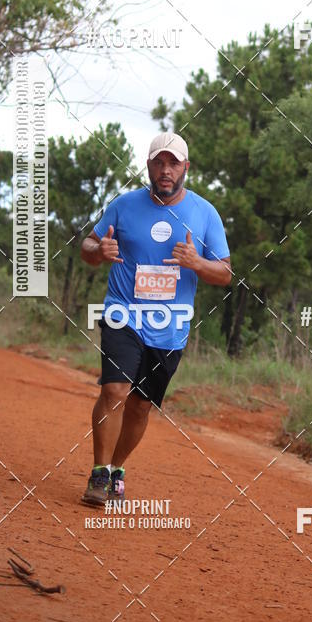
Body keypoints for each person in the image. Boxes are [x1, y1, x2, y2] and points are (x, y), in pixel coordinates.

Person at [80, 132, 231, 506]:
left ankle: (116, 469)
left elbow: (226, 273)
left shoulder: (204, 213)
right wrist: (99, 250)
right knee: (115, 390)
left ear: (186, 168)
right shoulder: (124, 205)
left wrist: (198, 263)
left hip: (170, 325)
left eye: (173, 163)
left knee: (140, 405)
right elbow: (87, 245)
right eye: (159, 162)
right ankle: (99, 473)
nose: (166, 171)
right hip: (123, 313)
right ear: (148, 166)